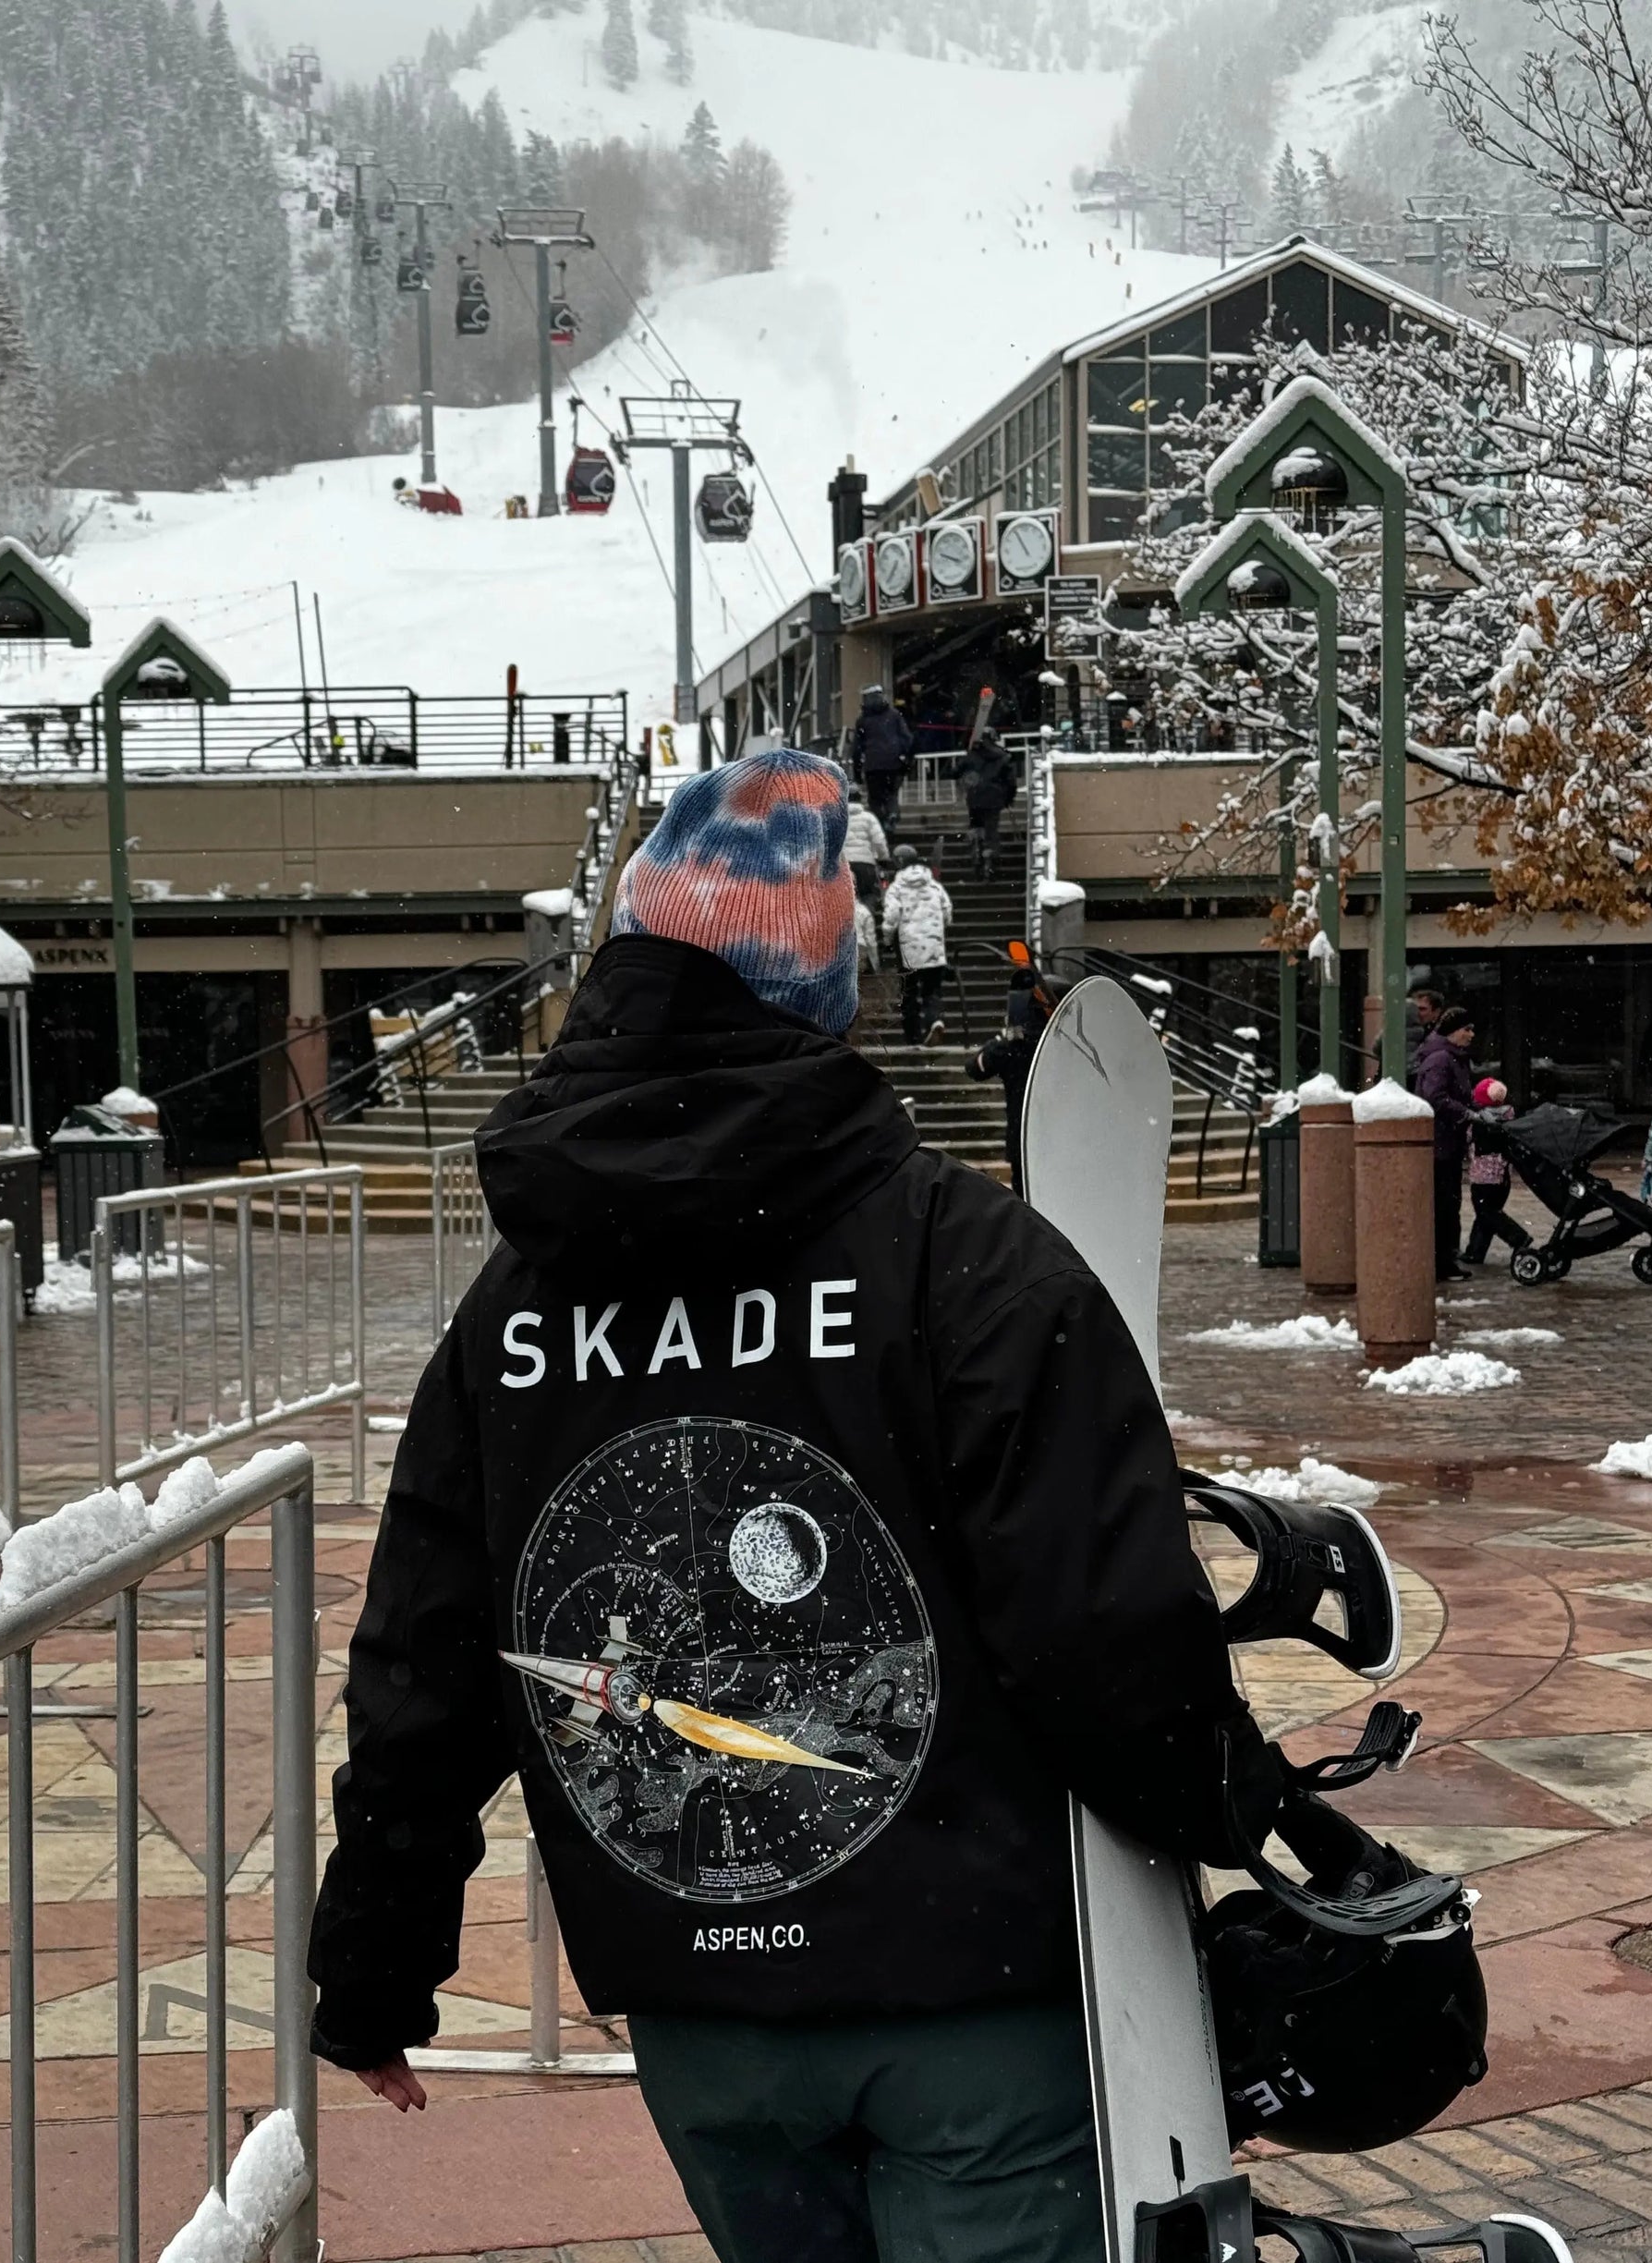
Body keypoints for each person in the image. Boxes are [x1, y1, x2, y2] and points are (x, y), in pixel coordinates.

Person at [306, 745, 1284, 2263]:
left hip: (701, 2004)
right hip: (973, 1983)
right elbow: (1102, 1630)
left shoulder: (512, 1311)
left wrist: (373, 1959)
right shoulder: (963, 1260)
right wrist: (1233, 1809)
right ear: (823, 989)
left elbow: (425, 1660)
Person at [966, 965, 1054, 1194]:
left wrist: (1006, 1038)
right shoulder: (1062, 1046)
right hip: (1061, 1142)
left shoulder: (1012, 1047)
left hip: (1023, 1140)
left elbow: (974, 1068)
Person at [1414, 1004, 1477, 1281]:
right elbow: (1436, 1098)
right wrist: (1466, 1113)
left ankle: (1445, 1260)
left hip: (1447, 1143)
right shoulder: (1442, 1059)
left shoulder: (1451, 1058)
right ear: (1453, 1032)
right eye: (1467, 1029)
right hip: (1442, 1145)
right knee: (1445, 1205)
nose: (1471, 1035)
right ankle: (1443, 1263)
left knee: (1448, 1204)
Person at [881, 842, 954, 1046]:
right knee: (932, 991)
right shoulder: (934, 885)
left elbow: (892, 916)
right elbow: (947, 911)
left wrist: (887, 939)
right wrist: (937, 930)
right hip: (934, 948)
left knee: (909, 994)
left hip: (909, 951)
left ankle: (913, 1037)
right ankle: (935, 1020)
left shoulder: (896, 887)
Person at [1464, 1076, 1532, 1265]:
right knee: (1488, 1213)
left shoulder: (1480, 1122)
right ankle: (1475, 1251)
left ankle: (1518, 1237)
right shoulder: (1509, 1117)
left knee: (1486, 1212)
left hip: (1483, 1177)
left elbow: (1467, 1138)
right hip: (1503, 1176)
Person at [851, 683, 913, 833]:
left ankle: (882, 824)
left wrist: (857, 771)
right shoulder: (894, 715)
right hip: (893, 762)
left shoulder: (863, 720)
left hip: (873, 764)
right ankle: (892, 814)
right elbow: (907, 739)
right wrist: (907, 759)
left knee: (875, 798)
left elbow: (857, 748)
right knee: (891, 793)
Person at [958, 729, 1017, 880]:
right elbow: (1010, 782)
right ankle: (990, 860)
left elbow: (956, 771)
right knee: (991, 831)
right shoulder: (1003, 756)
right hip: (994, 799)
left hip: (975, 798)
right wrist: (1009, 798)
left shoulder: (972, 756)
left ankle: (976, 851)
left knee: (976, 828)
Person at [844, 783, 892, 907]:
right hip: (865, 864)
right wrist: (883, 858)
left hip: (843, 865)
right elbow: (879, 841)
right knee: (868, 894)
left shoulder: (837, 818)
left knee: (844, 899)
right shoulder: (869, 818)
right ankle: (867, 921)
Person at [1404, 988, 1443, 1091]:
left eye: (1422, 1009)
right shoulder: (1404, 1030)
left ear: (1436, 1012)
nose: (1417, 1013)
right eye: (1414, 1008)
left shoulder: (1440, 1035)